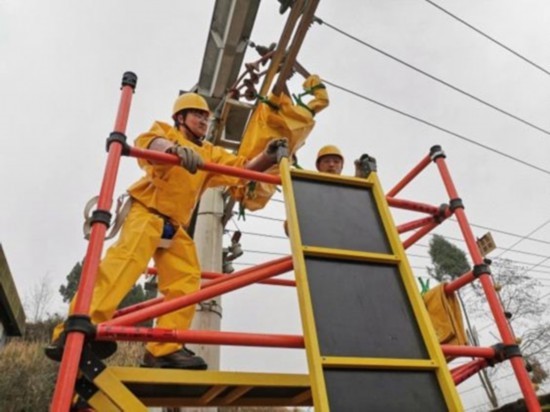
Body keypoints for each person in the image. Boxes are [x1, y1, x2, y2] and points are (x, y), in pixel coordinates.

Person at [47, 92, 285, 370]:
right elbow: (148, 143)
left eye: (206, 117)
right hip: (147, 213)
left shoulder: (208, 152)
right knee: (122, 266)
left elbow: (240, 170)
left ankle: (163, 349)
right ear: (180, 118)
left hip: (174, 225)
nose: (204, 121)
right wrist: (173, 150)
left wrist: (267, 156)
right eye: (198, 115)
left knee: (186, 279)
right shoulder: (166, 132)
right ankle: (76, 327)